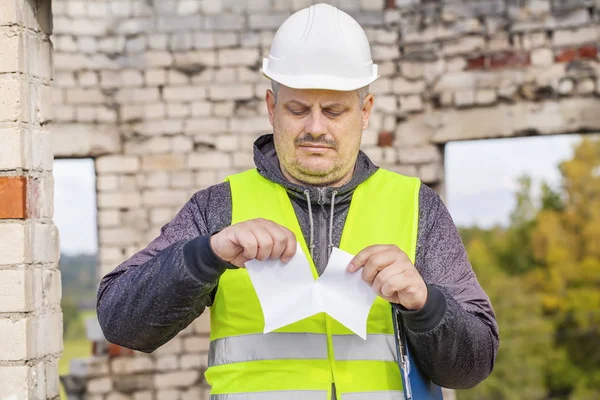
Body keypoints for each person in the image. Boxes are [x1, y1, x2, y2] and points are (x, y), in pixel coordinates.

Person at [97, 3, 498, 399]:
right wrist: (207, 254)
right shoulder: (218, 208)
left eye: (334, 110)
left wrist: (425, 304)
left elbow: (473, 366)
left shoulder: (417, 207)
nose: (315, 127)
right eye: (298, 109)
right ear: (272, 108)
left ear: (365, 112)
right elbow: (120, 321)